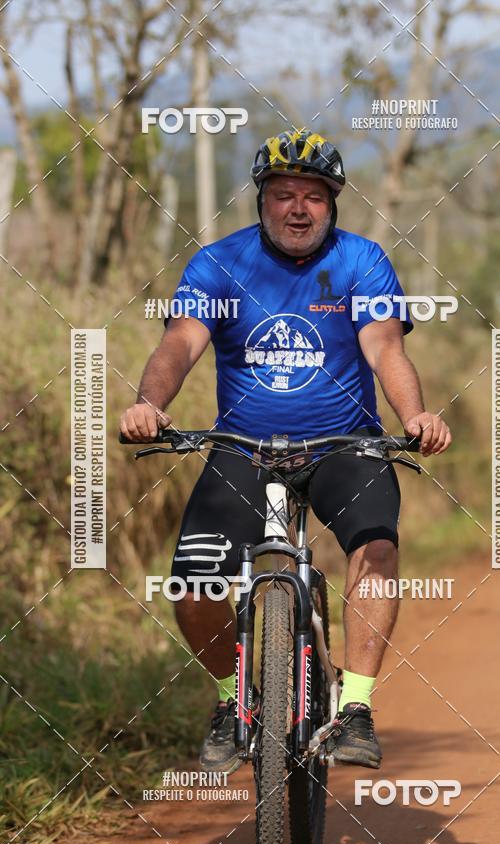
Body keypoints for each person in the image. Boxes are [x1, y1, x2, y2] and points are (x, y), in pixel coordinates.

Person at [119, 129, 451, 772]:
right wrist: (150, 405)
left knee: (376, 548)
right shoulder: (219, 264)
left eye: (314, 197)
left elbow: (386, 348)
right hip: (243, 448)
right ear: (261, 201)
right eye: (283, 195)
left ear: (333, 204)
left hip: (343, 444)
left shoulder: (361, 261)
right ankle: (228, 701)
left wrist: (414, 416)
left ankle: (355, 708)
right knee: (192, 581)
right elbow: (180, 345)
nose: (298, 209)